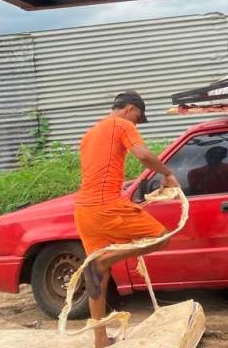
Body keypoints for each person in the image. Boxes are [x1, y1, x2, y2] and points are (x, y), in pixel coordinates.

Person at [73, 91, 179, 348]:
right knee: (161, 236)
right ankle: (100, 261)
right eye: (138, 118)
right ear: (130, 109)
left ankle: (99, 339)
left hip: (84, 210)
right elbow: (142, 154)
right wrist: (167, 174)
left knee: (98, 277)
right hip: (106, 206)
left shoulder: (89, 134)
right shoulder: (121, 124)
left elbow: (99, 170)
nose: (137, 124)